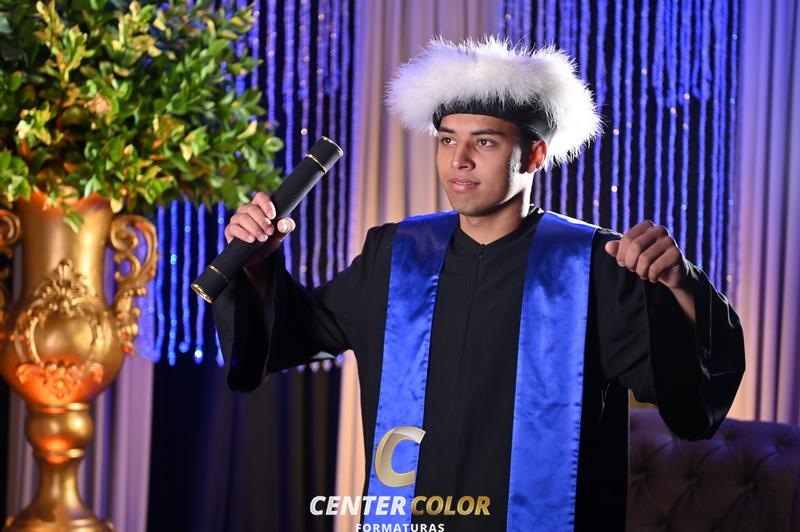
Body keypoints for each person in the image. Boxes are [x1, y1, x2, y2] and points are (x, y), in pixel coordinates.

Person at [212, 37, 745, 531]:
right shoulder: (396, 254)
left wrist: (681, 287)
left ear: (534, 155)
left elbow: (688, 399)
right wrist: (259, 266)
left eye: (484, 142)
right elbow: (294, 333)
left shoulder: (591, 265)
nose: (458, 160)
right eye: (447, 139)